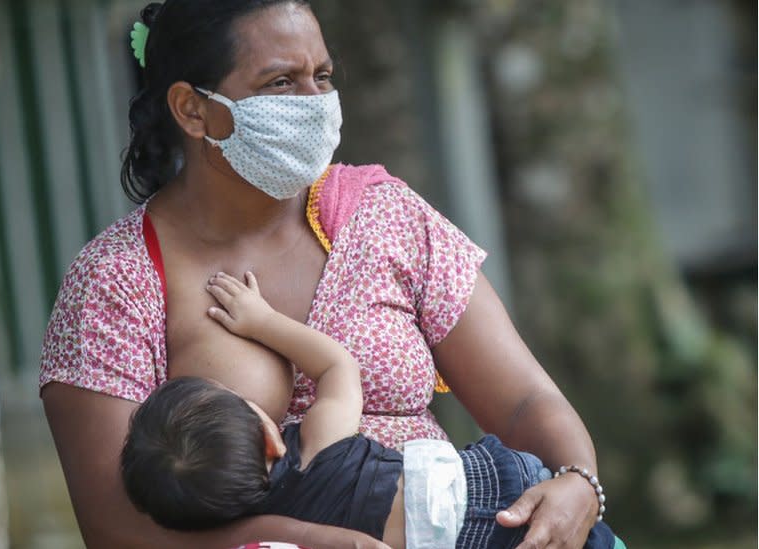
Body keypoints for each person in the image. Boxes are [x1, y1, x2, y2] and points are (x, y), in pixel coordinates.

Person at [40, 0, 607, 547]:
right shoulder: (115, 282)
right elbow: (117, 532)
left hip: (465, 524)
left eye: (323, 75)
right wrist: (312, 542)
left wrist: (578, 481)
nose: (314, 101)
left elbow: (524, 402)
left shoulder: (383, 214)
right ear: (192, 109)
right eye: (281, 83)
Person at [120, 272, 623, 549]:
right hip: (501, 490)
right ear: (270, 436)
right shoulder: (313, 448)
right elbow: (338, 366)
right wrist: (263, 321)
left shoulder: (270, 528)